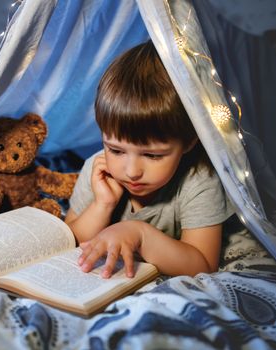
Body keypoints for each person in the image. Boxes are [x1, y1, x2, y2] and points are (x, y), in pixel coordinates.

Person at [65, 40, 234, 279]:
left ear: (189, 141)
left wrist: (140, 235)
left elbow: (204, 264)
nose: (132, 171)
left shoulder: (199, 179)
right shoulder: (98, 169)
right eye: (116, 150)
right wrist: (102, 205)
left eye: (152, 155)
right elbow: (69, 239)